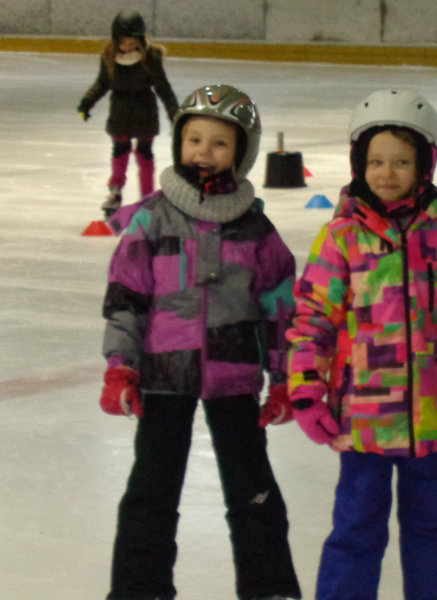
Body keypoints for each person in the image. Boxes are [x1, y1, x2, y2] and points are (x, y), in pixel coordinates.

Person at [286, 89, 437, 600]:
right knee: (355, 532)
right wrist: (305, 391)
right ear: (358, 164)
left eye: (401, 161)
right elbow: (312, 319)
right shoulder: (341, 237)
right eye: (376, 161)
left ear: (424, 165)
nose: (387, 173)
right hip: (361, 422)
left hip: (435, 418)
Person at [99, 83, 302, 600]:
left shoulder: (256, 229)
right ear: (177, 144)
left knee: (253, 492)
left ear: (241, 153)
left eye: (219, 143)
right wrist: (121, 365)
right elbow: (126, 297)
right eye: (194, 140)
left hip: (235, 377)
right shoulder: (152, 218)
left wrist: (285, 379)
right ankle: (139, 591)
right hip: (164, 374)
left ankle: (270, 589)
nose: (203, 153)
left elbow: (280, 309)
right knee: (152, 491)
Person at [78, 11, 178, 215]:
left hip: (145, 111)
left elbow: (162, 87)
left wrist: (174, 112)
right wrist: (87, 102)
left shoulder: (150, 57)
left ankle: (147, 196)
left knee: (145, 154)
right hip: (120, 112)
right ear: (116, 40)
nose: (127, 47)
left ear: (140, 40)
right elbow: (102, 83)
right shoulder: (109, 56)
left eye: (132, 43)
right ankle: (115, 191)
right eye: (123, 42)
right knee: (120, 151)